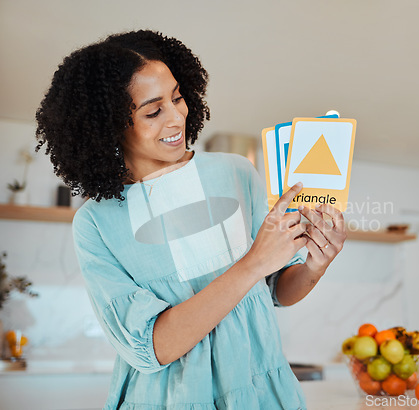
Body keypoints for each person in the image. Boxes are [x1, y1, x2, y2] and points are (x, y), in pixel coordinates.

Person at [35, 30, 347, 409]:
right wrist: (252, 264)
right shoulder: (96, 223)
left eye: (178, 97)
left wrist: (316, 263)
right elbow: (153, 347)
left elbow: (276, 290)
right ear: (108, 126)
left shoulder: (237, 173)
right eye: (153, 111)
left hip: (260, 390)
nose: (176, 117)